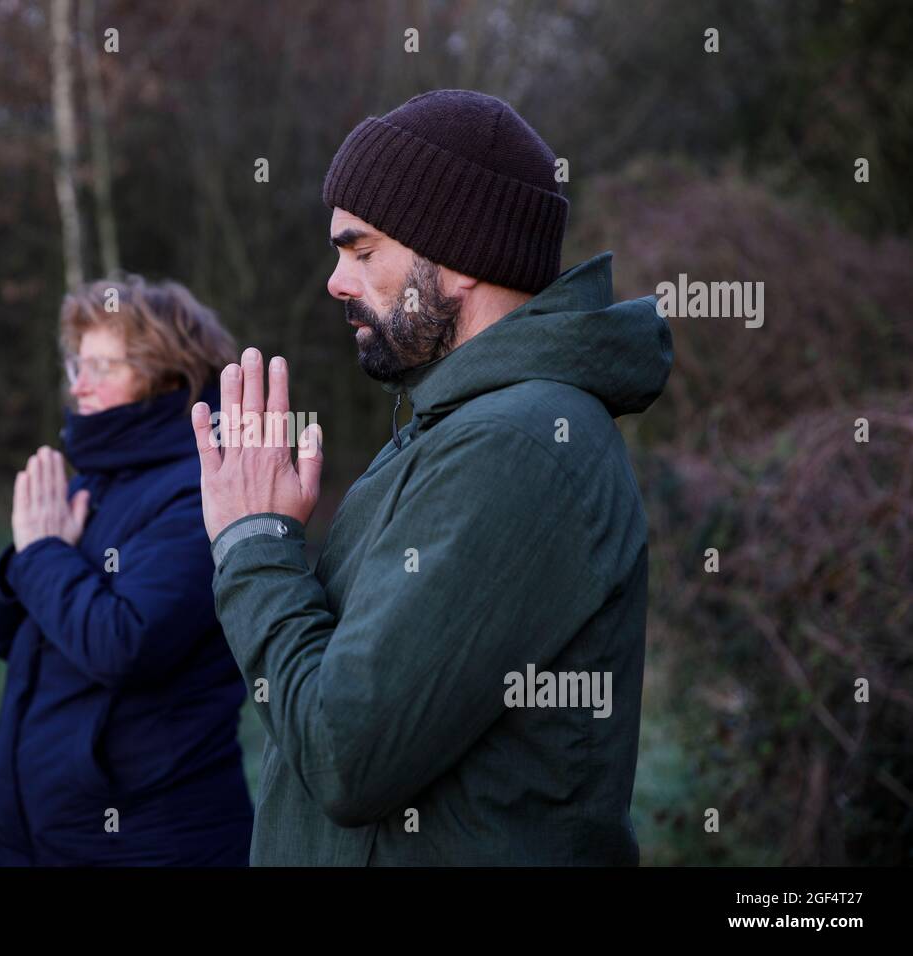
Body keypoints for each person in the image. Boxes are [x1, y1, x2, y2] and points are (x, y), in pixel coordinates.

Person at [192, 90, 675, 865]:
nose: (335, 282)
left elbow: (347, 755)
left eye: (361, 250)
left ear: (456, 262)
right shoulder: (454, 428)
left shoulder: (518, 449)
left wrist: (253, 548)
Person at [0, 275, 252, 865]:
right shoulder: (93, 480)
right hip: (47, 828)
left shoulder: (202, 488)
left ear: (170, 375)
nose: (79, 386)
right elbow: (0, 633)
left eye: (103, 367)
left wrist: (42, 555)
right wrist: (24, 561)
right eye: (78, 365)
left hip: (148, 836)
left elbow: (124, 643)